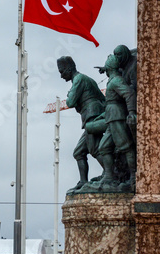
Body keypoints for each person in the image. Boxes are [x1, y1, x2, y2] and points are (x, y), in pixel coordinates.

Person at [57, 56, 105, 192]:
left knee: (94, 149)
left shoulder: (79, 80)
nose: (61, 76)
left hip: (92, 116)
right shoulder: (85, 79)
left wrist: (70, 94)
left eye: (61, 72)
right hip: (92, 116)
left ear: (69, 68)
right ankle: (83, 181)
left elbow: (70, 102)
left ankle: (111, 174)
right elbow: (103, 98)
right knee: (79, 152)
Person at [90, 55, 137, 192]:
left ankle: (134, 177)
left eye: (106, 65)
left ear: (110, 67)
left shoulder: (116, 80)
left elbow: (129, 94)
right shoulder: (113, 78)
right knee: (104, 147)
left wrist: (132, 112)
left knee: (126, 147)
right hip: (111, 116)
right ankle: (109, 177)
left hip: (117, 116)